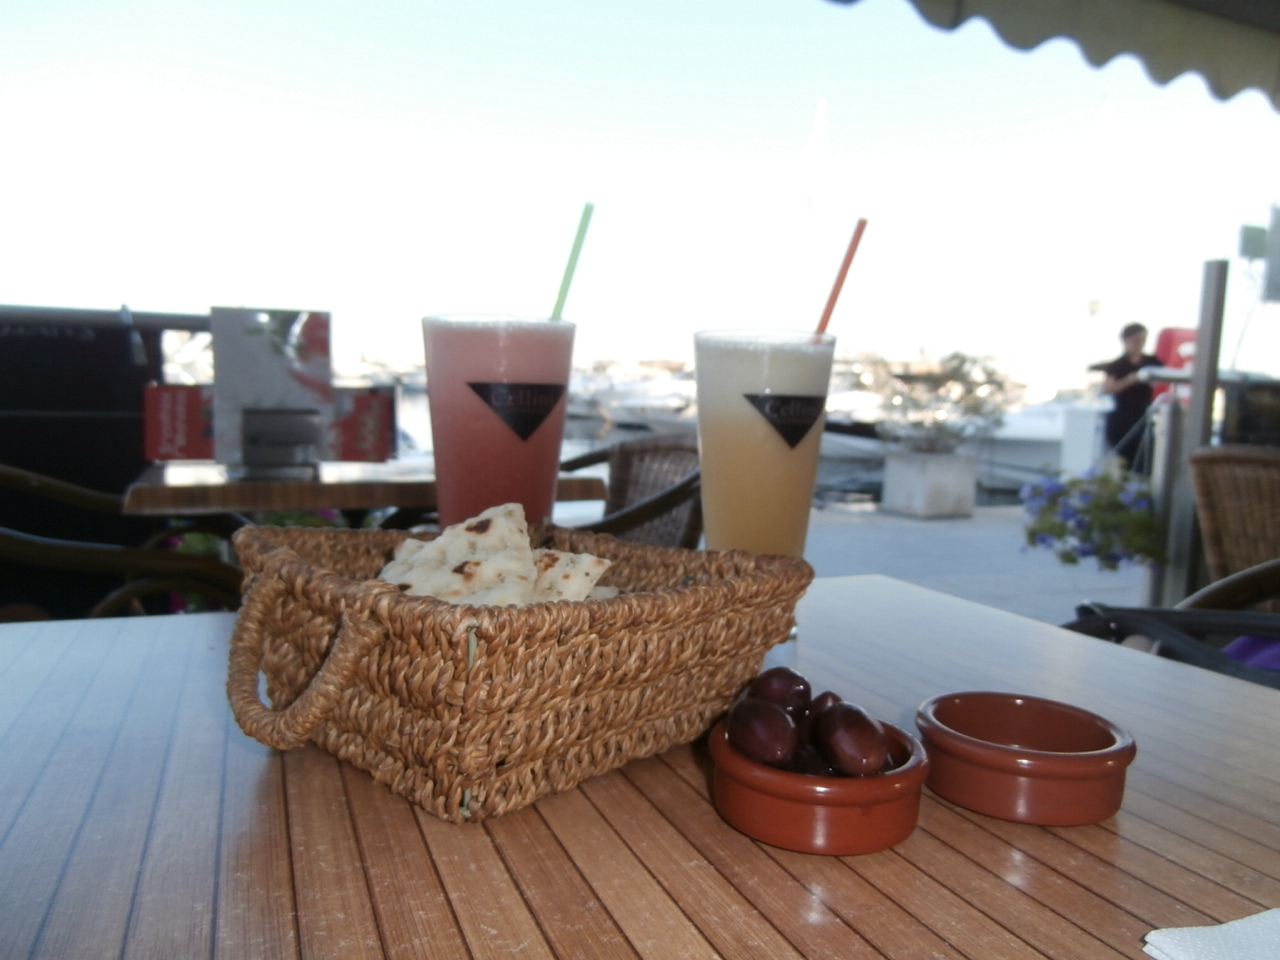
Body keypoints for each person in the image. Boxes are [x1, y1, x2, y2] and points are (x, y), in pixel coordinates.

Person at [1100, 323, 1163, 474]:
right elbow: (1107, 388)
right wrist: (1131, 379)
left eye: (1142, 340)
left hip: (1144, 414)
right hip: (1123, 417)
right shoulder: (1118, 365)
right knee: (1125, 461)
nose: (1140, 344)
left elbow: (1165, 379)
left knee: (1146, 459)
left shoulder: (1152, 362)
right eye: (1136, 341)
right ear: (1126, 340)